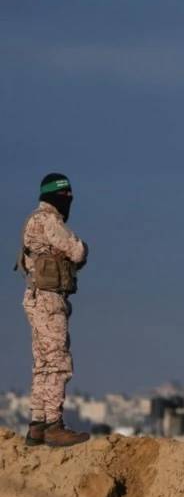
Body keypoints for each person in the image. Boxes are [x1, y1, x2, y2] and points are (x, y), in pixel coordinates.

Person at [15, 173, 90, 447]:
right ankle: (53, 425)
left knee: (43, 364)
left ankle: (38, 424)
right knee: (57, 363)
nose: (68, 200)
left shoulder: (34, 220)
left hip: (37, 297)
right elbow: (78, 251)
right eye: (65, 195)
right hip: (48, 299)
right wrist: (74, 252)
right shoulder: (48, 220)